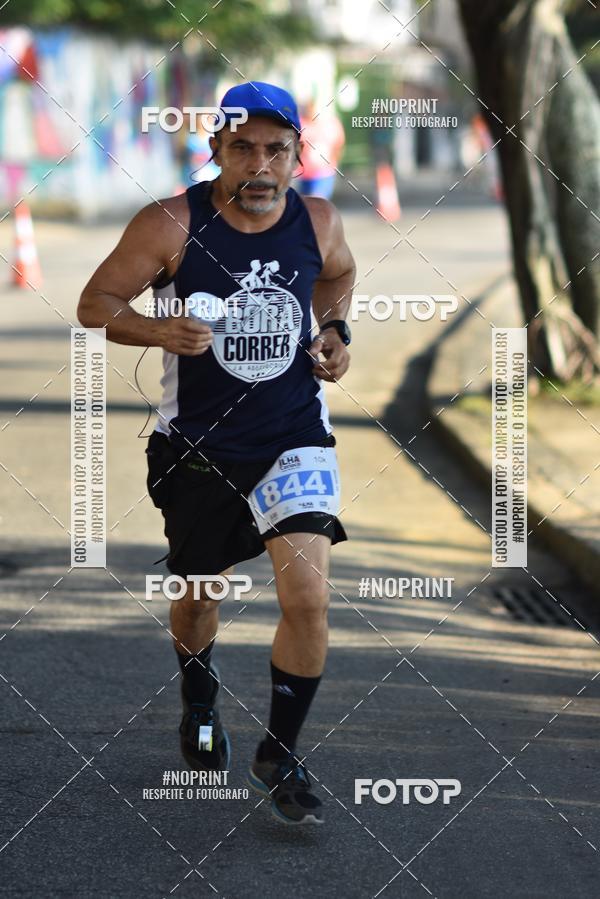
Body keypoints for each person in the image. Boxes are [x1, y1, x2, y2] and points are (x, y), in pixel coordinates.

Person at [78, 81, 356, 826]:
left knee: (309, 596)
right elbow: (95, 305)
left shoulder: (319, 220)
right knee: (201, 592)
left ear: (299, 158)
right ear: (215, 154)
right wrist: (161, 331)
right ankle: (199, 697)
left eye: (275, 149)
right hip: (197, 446)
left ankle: (281, 750)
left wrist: (336, 334)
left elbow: (338, 276)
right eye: (242, 148)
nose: (258, 165)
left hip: (293, 434)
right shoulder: (170, 223)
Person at [298, 99, 345, 200]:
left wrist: (332, 163)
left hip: (324, 173)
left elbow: (338, 144)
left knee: (317, 202)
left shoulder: (330, 124)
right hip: (304, 174)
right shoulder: (301, 124)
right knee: (305, 205)